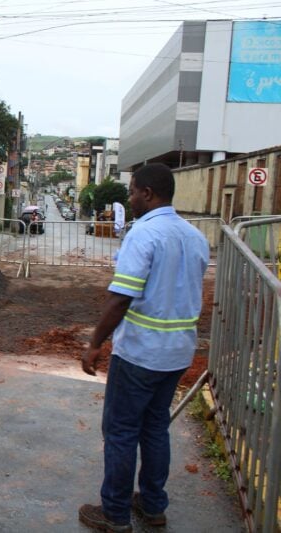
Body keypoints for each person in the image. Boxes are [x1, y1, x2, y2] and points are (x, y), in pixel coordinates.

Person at [78, 163, 209, 532]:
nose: (130, 198)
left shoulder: (144, 234)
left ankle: (115, 514)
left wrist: (94, 344)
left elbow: (121, 298)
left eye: (132, 191)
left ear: (148, 193)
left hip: (140, 353)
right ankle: (152, 506)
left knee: (120, 432)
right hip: (177, 354)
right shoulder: (195, 236)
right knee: (154, 429)